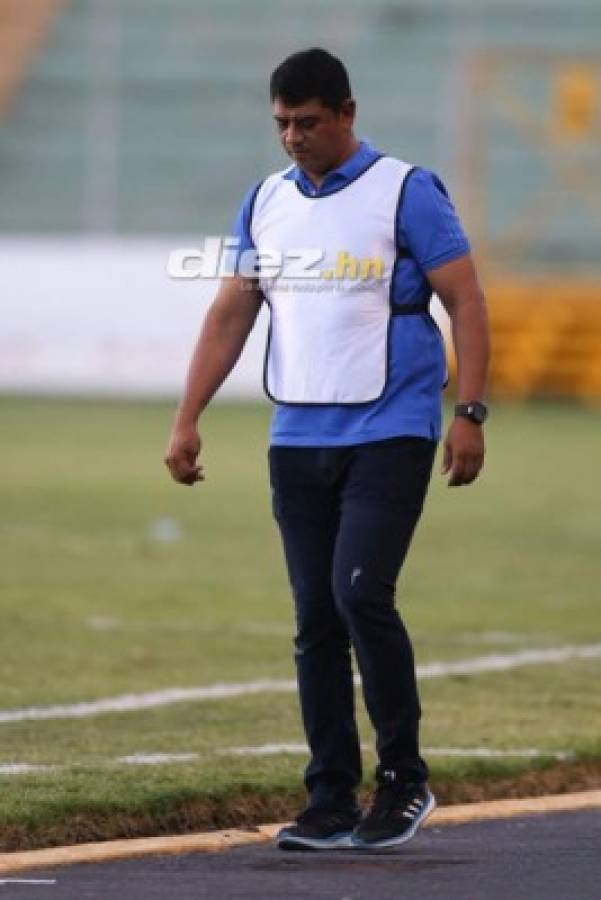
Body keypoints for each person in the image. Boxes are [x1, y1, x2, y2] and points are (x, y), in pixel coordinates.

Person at [165, 48, 490, 852]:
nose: (292, 138)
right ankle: (329, 797)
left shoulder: (407, 191)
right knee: (315, 618)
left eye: (307, 122)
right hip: (297, 438)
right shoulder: (266, 201)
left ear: (346, 112)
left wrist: (470, 411)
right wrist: (186, 417)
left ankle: (404, 781)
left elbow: (467, 301)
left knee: (359, 595)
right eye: (280, 123)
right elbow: (231, 315)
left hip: (390, 431)